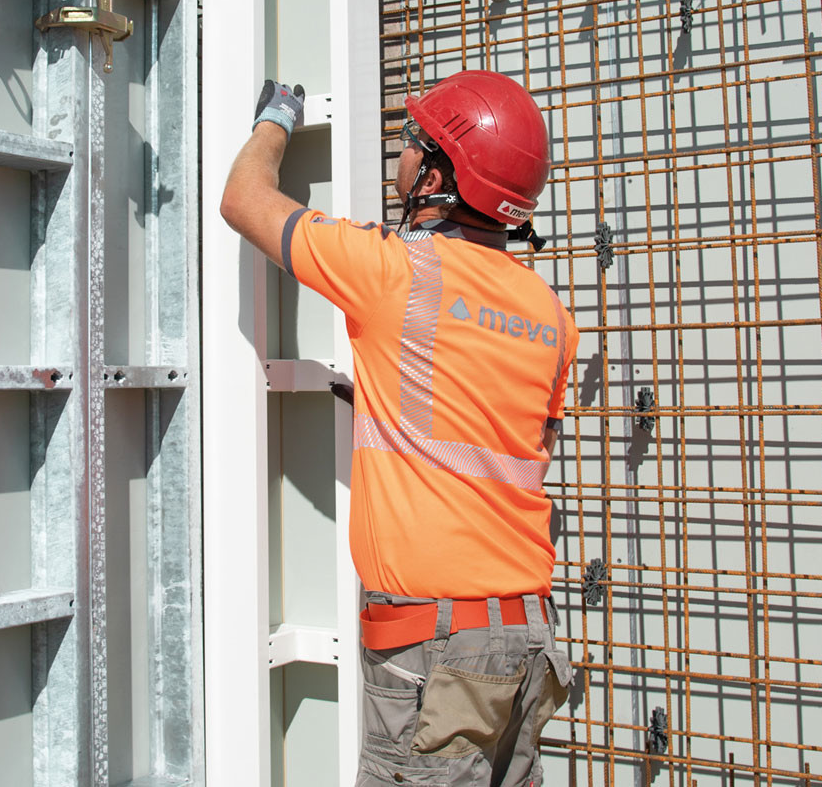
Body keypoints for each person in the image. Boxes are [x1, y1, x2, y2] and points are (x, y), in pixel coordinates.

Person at [220, 69, 578, 787]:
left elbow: (244, 200)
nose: (402, 159)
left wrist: (277, 121)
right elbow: (516, 446)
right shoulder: (549, 314)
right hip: (529, 640)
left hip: (436, 649)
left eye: (415, 145)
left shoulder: (395, 270)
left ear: (444, 173)